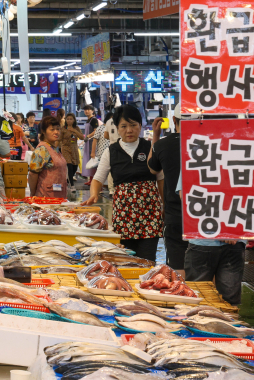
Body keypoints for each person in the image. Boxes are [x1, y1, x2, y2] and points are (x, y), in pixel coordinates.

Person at [82, 105, 163, 262]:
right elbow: (98, 178)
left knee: (147, 260)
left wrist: (164, 205)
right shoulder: (111, 151)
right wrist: (94, 194)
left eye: (133, 125)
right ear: (117, 128)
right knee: (125, 260)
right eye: (124, 126)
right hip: (123, 216)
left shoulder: (150, 147)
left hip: (151, 216)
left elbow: (160, 178)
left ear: (140, 126)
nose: (129, 130)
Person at [176, 172, 246, 305]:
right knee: (227, 302)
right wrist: (227, 226)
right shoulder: (242, 153)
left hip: (205, 239)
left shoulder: (195, 154)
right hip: (228, 239)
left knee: (196, 299)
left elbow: (186, 196)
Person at [148, 104, 189, 277]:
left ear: (174, 120)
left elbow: (152, 168)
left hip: (175, 215)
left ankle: (184, 300)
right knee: (204, 269)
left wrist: (156, 136)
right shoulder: (210, 143)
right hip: (205, 217)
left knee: (178, 267)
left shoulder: (163, 145)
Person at [28, 116, 67, 198]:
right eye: (52, 129)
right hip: (45, 197)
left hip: (59, 196)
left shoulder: (55, 148)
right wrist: (33, 193)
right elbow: (32, 174)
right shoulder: (41, 150)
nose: (56, 132)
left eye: (58, 129)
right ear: (43, 132)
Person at [60, 113, 84, 189]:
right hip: (65, 148)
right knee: (69, 166)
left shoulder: (76, 128)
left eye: (71, 119)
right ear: (66, 120)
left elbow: (82, 138)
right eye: (68, 119)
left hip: (74, 148)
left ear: (74, 120)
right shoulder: (63, 128)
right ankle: (72, 185)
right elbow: (59, 139)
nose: (69, 120)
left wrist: (74, 131)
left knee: (75, 166)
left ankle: (68, 180)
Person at [81, 105, 100, 186]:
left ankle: (94, 180)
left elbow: (96, 131)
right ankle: (91, 179)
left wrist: (88, 136)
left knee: (93, 163)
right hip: (88, 142)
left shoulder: (94, 120)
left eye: (88, 110)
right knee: (89, 162)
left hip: (92, 143)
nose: (86, 111)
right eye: (85, 110)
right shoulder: (88, 120)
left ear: (92, 111)